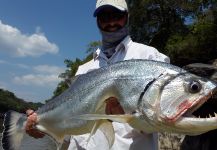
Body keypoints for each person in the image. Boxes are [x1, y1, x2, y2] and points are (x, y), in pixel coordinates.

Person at [26, 0, 170, 150]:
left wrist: (130, 116)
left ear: (127, 16)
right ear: (97, 22)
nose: (111, 22)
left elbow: (164, 117)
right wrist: (42, 127)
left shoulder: (150, 57)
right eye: (105, 17)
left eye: (117, 15)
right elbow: (69, 126)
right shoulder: (84, 70)